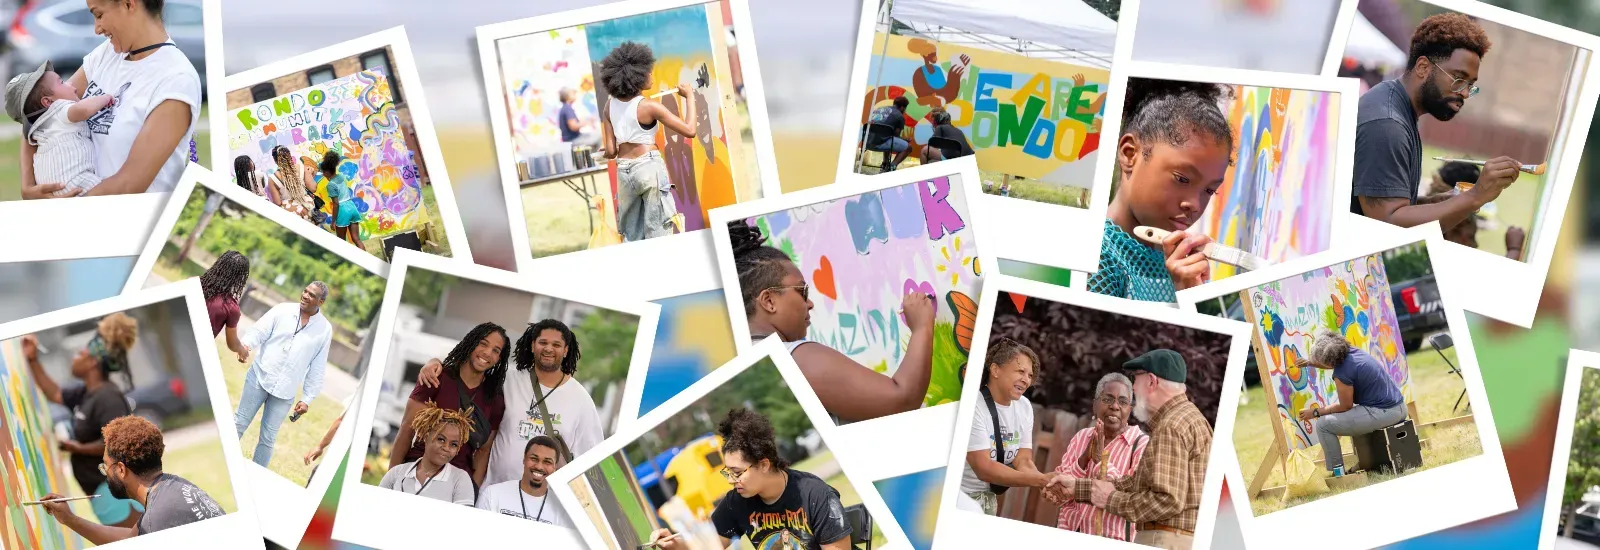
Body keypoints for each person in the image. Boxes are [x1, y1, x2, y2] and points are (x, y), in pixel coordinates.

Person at [727, 221, 937, 422]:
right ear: (769, 301)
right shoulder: (797, 358)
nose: (809, 303)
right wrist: (921, 327)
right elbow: (902, 400)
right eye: (802, 291)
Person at [1350, 14, 1523, 229]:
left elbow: (1393, 207)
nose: (1466, 93)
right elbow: (1388, 223)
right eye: (1459, 79)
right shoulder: (1388, 125)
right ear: (1423, 67)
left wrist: (1434, 203)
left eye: (1470, 85)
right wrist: (1476, 196)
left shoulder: (1396, 106)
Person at [19, 0, 201, 199]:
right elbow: (41, 114)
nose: (97, 29)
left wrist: (66, 211)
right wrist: (28, 186)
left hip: (130, 223)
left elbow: (130, 183)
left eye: (99, 15)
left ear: (129, 4)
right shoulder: (106, 54)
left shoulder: (176, 79)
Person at [1087, 78, 1233, 303]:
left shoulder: (1178, 264)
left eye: (1210, 190)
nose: (1194, 204)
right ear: (1130, 154)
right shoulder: (1096, 258)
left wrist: (1190, 295)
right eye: (1182, 179)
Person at [1049, 349, 1212, 550]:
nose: (1134, 387)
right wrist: (1078, 487)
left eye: (1136, 380)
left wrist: (1110, 499)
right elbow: (1139, 483)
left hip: (1167, 539)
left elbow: (1167, 501)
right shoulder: (1185, 417)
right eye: (1107, 399)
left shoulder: (1171, 426)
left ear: (1151, 381)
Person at [417, 319, 604, 486]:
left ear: (566, 350)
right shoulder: (508, 379)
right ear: (532, 346)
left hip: (543, 503)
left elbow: (592, 458)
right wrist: (434, 363)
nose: (548, 349)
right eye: (543, 342)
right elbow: (470, 371)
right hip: (494, 492)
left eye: (556, 344)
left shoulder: (581, 399)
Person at [647, 409, 853, 550]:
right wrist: (675, 544)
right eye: (727, 472)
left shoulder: (816, 495)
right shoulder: (737, 502)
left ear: (764, 464)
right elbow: (709, 545)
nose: (731, 480)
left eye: (737, 472)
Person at [21, 314, 142, 528]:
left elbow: (117, 446)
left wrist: (79, 448)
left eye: (80, 353)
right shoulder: (86, 393)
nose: (74, 357)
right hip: (102, 492)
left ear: (93, 362)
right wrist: (32, 359)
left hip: (116, 494)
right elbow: (55, 393)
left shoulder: (108, 397)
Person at [40, 416, 224, 543]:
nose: (106, 473)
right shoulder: (171, 488)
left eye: (105, 466)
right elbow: (131, 539)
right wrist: (70, 519)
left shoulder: (159, 517)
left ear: (121, 469)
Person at [391, 322, 510, 490]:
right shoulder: (436, 377)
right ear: (471, 341)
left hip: (456, 483)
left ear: (499, 359)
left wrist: (472, 490)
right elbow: (406, 429)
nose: (487, 353)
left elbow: (483, 451)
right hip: (417, 472)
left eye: (496, 351)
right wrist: (392, 478)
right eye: (483, 343)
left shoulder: (495, 398)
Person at [597, 41, 696, 242]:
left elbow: (610, 151)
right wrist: (689, 96)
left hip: (624, 171)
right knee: (659, 233)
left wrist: (605, 152)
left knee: (632, 237)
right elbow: (690, 130)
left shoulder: (609, 106)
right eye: (648, 72)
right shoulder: (649, 107)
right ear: (637, 77)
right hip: (649, 168)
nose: (651, 76)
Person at [235, 282, 334, 468]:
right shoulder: (282, 310)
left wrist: (307, 399)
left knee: (267, 440)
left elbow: (318, 366)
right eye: (305, 291)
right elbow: (259, 330)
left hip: (285, 392)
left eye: (311, 295)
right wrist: (246, 345)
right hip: (259, 376)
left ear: (320, 302)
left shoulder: (325, 329)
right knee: (239, 423)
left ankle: (257, 477)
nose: (305, 295)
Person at [1044, 373, 1147, 541]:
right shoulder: (1081, 437)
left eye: (1123, 401)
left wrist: (1100, 460)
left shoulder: (1141, 445)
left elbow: (1130, 498)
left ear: (1130, 409)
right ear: (1095, 405)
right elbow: (1059, 493)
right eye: (1108, 399)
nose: (1115, 406)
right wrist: (1085, 457)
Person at [1296, 329, 1408, 478]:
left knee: (1324, 425)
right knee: (1352, 416)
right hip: (1398, 407)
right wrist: (1311, 363)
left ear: (1328, 359)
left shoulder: (1342, 373)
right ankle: (1365, 463)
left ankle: (1339, 474)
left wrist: (1315, 412)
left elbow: (1345, 406)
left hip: (1385, 412)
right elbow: (1332, 363)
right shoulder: (1352, 352)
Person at [961, 339, 1052, 515]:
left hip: (988, 499)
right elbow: (984, 468)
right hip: (960, 496)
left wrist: (1044, 483)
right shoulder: (974, 406)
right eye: (1021, 371)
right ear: (995, 370)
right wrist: (1040, 480)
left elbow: (1022, 460)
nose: (1026, 380)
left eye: (1030, 375)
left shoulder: (1024, 407)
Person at [4, 62, 116, 196]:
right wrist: (104, 98)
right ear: (48, 102)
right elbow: (84, 109)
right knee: (114, 191)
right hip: (77, 181)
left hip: (51, 185)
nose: (71, 84)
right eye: (62, 82)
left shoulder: (37, 127)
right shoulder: (59, 109)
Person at [379, 404, 478, 506]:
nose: (446, 448)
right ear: (426, 437)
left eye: (454, 444)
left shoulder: (460, 479)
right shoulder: (396, 473)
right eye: (441, 439)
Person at [475, 435, 574, 527]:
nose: (539, 466)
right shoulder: (492, 495)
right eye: (534, 459)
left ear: (554, 467)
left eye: (547, 462)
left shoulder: (563, 510)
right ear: (524, 459)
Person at [200, 250, 252, 363]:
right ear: (240, 278)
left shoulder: (194, 282)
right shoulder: (231, 308)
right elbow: (232, 343)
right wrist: (242, 351)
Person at [321, 151, 363, 247]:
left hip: (343, 210)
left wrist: (333, 221)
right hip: (351, 206)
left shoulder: (330, 185)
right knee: (356, 239)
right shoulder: (340, 177)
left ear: (327, 172)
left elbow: (336, 204)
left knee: (342, 243)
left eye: (323, 172)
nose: (323, 174)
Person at [268, 145, 318, 222]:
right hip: (308, 208)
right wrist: (311, 174)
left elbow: (277, 203)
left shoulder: (273, 178)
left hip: (292, 214)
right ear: (290, 156)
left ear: (275, 161)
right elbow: (313, 188)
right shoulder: (302, 167)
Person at [862, 96, 911, 170]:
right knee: (908, 148)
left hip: (867, 142)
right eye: (905, 108)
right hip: (879, 144)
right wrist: (905, 140)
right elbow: (895, 136)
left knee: (887, 137)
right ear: (902, 107)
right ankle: (891, 166)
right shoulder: (899, 116)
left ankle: (885, 162)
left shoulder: (879, 109)